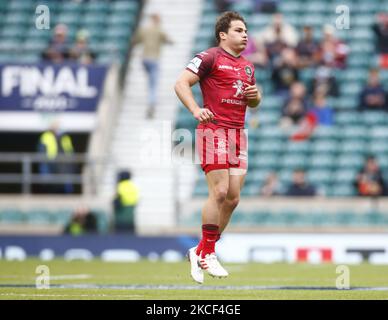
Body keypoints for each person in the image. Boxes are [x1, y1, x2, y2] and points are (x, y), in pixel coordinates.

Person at [174, 12, 261, 283]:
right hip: (214, 130)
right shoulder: (209, 57)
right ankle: (209, 253)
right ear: (223, 34)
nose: (245, 34)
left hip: (238, 134)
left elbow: (253, 103)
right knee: (220, 191)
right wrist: (195, 109)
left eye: (245, 30)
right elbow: (180, 83)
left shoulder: (248, 67)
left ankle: (198, 250)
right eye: (238, 30)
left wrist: (256, 96)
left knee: (233, 198)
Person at [133, 14, 173, 119]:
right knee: (153, 84)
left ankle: (151, 99)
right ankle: (151, 103)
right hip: (154, 59)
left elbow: (136, 41)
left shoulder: (144, 30)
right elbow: (168, 40)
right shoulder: (159, 30)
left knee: (150, 80)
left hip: (144, 59)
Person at [37, 122, 75, 194]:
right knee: (50, 184)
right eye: (55, 126)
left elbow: (70, 150)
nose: (57, 128)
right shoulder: (46, 136)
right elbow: (41, 150)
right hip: (50, 163)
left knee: (66, 184)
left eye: (57, 126)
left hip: (63, 164)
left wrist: (69, 162)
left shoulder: (65, 137)